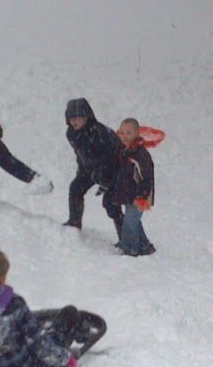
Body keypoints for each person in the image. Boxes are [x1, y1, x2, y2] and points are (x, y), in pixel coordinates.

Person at [62, 98, 121, 230]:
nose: (75, 121)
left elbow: (111, 159)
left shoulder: (100, 133)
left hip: (116, 170)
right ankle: (74, 223)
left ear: (86, 116)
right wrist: (82, 172)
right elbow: (81, 154)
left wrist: (105, 181)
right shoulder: (72, 134)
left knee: (111, 204)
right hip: (91, 170)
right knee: (76, 188)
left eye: (78, 117)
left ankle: (127, 237)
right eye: (72, 118)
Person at [111, 118, 156, 256]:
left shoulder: (140, 154)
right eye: (122, 133)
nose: (125, 136)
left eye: (129, 133)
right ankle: (144, 245)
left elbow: (146, 176)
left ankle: (131, 248)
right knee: (133, 220)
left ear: (137, 134)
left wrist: (142, 195)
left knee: (130, 220)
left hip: (139, 195)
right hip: (129, 193)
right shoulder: (124, 151)